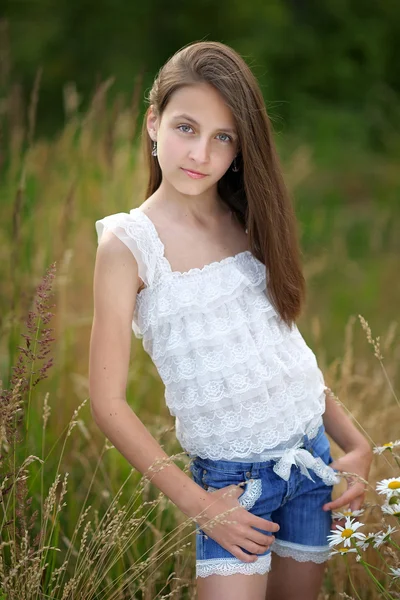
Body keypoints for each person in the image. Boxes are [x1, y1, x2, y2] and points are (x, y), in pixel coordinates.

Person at [89, 40, 373, 600]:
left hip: (311, 463)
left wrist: (354, 443)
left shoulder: (247, 220)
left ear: (241, 149)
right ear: (153, 122)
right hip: (231, 487)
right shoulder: (130, 244)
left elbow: (283, 358)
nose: (200, 153)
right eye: (186, 128)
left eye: (223, 138)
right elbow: (107, 402)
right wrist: (201, 506)